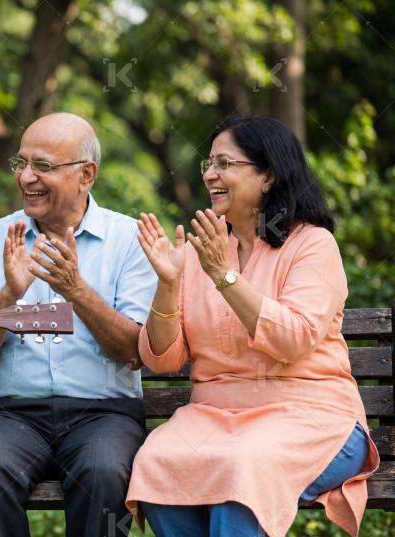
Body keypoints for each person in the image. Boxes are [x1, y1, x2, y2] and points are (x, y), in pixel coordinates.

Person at [126, 115, 380, 537]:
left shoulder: (312, 244)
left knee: (240, 472)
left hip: (313, 418)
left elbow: (293, 340)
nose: (210, 174)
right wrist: (168, 285)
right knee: (158, 462)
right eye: (208, 164)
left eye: (224, 164)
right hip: (212, 419)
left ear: (268, 176)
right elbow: (164, 360)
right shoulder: (202, 252)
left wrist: (224, 277)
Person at [0, 112, 157, 537]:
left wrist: (76, 290)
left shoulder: (130, 240)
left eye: (43, 166)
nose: (26, 177)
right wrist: (9, 296)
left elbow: (135, 352)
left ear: (86, 175)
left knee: (104, 471)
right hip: (12, 414)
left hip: (104, 414)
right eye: (21, 163)